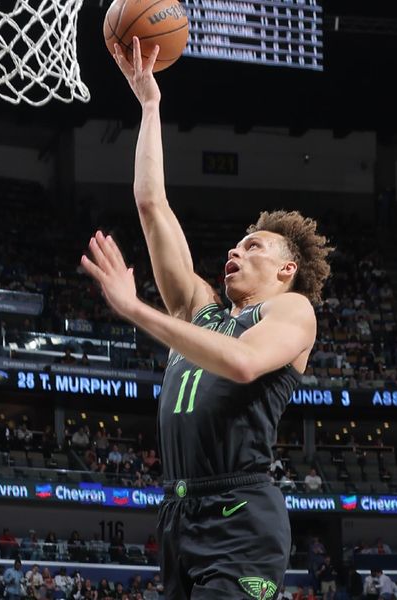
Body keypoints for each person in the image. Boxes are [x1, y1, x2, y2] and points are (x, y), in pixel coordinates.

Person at [83, 36, 332, 600]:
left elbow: (243, 364)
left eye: (254, 246)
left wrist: (134, 309)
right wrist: (150, 105)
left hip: (241, 514)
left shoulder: (293, 311)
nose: (235, 253)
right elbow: (151, 205)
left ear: (287, 269)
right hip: (178, 511)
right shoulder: (202, 309)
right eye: (235, 246)